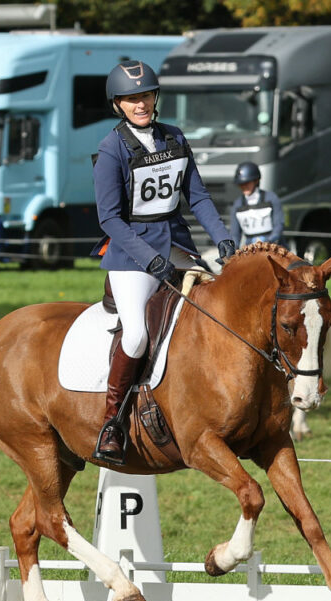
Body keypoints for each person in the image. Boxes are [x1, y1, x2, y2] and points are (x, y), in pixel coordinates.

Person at [91, 59, 236, 463]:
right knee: (136, 334)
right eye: (131, 98)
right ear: (117, 104)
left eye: (146, 95)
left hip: (177, 242)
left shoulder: (174, 137)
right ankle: (111, 424)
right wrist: (148, 259)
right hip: (129, 253)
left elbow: (199, 197)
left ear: (156, 97)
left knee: (218, 312)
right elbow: (109, 219)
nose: (140, 104)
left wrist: (223, 238)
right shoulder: (111, 149)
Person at [228, 161, 285, 247]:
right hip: (251, 250)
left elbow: (278, 224)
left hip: (273, 247)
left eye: (247, 183)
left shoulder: (271, 198)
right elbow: (235, 234)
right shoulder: (237, 205)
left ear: (256, 181)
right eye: (241, 184)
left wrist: (270, 241)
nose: (244, 186)